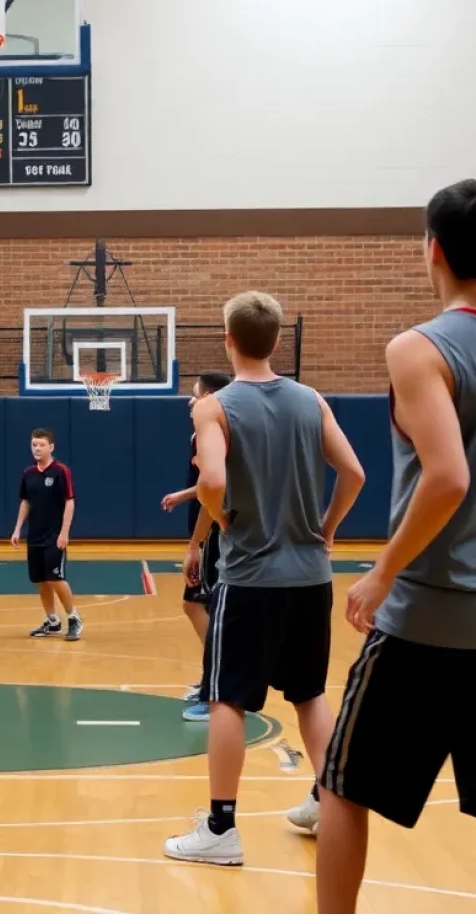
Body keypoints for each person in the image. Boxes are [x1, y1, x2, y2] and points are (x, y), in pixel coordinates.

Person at [317, 179, 476, 913]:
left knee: (342, 787)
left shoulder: (420, 348)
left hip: (429, 621)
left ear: (433, 250)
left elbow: (445, 476)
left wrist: (381, 572)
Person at [163, 291, 365, 866]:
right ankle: (328, 801)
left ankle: (221, 828)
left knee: (227, 698)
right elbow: (353, 472)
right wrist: (326, 530)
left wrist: (222, 520)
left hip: (252, 576)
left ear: (228, 340)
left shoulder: (215, 407)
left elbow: (213, 479)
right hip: (311, 575)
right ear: (276, 341)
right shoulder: (311, 400)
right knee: (308, 694)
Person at [161, 371, 231, 720]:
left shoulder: (211, 434)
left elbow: (212, 489)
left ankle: (216, 687)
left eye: (196, 395)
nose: (190, 401)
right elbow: (207, 483)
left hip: (214, 534)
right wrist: (184, 495)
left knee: (202, 609)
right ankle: (211, 680)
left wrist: (196, 544)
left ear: (211, 398)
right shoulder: (211, 433)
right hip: (213, 531)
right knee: (202, 608)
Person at [11, 428, 81, 641]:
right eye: (34, 445)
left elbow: (70, 501)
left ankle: (74, 617)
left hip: (54, 536)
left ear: (51, 447)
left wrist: (64, 532)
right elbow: (26, 502)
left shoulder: (61, 471)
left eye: (41, 445)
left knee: (56, 578)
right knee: (40, 580)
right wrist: (17, 529)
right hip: (34, 535)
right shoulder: (28, 474)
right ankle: (52, 620)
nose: (37, 448)